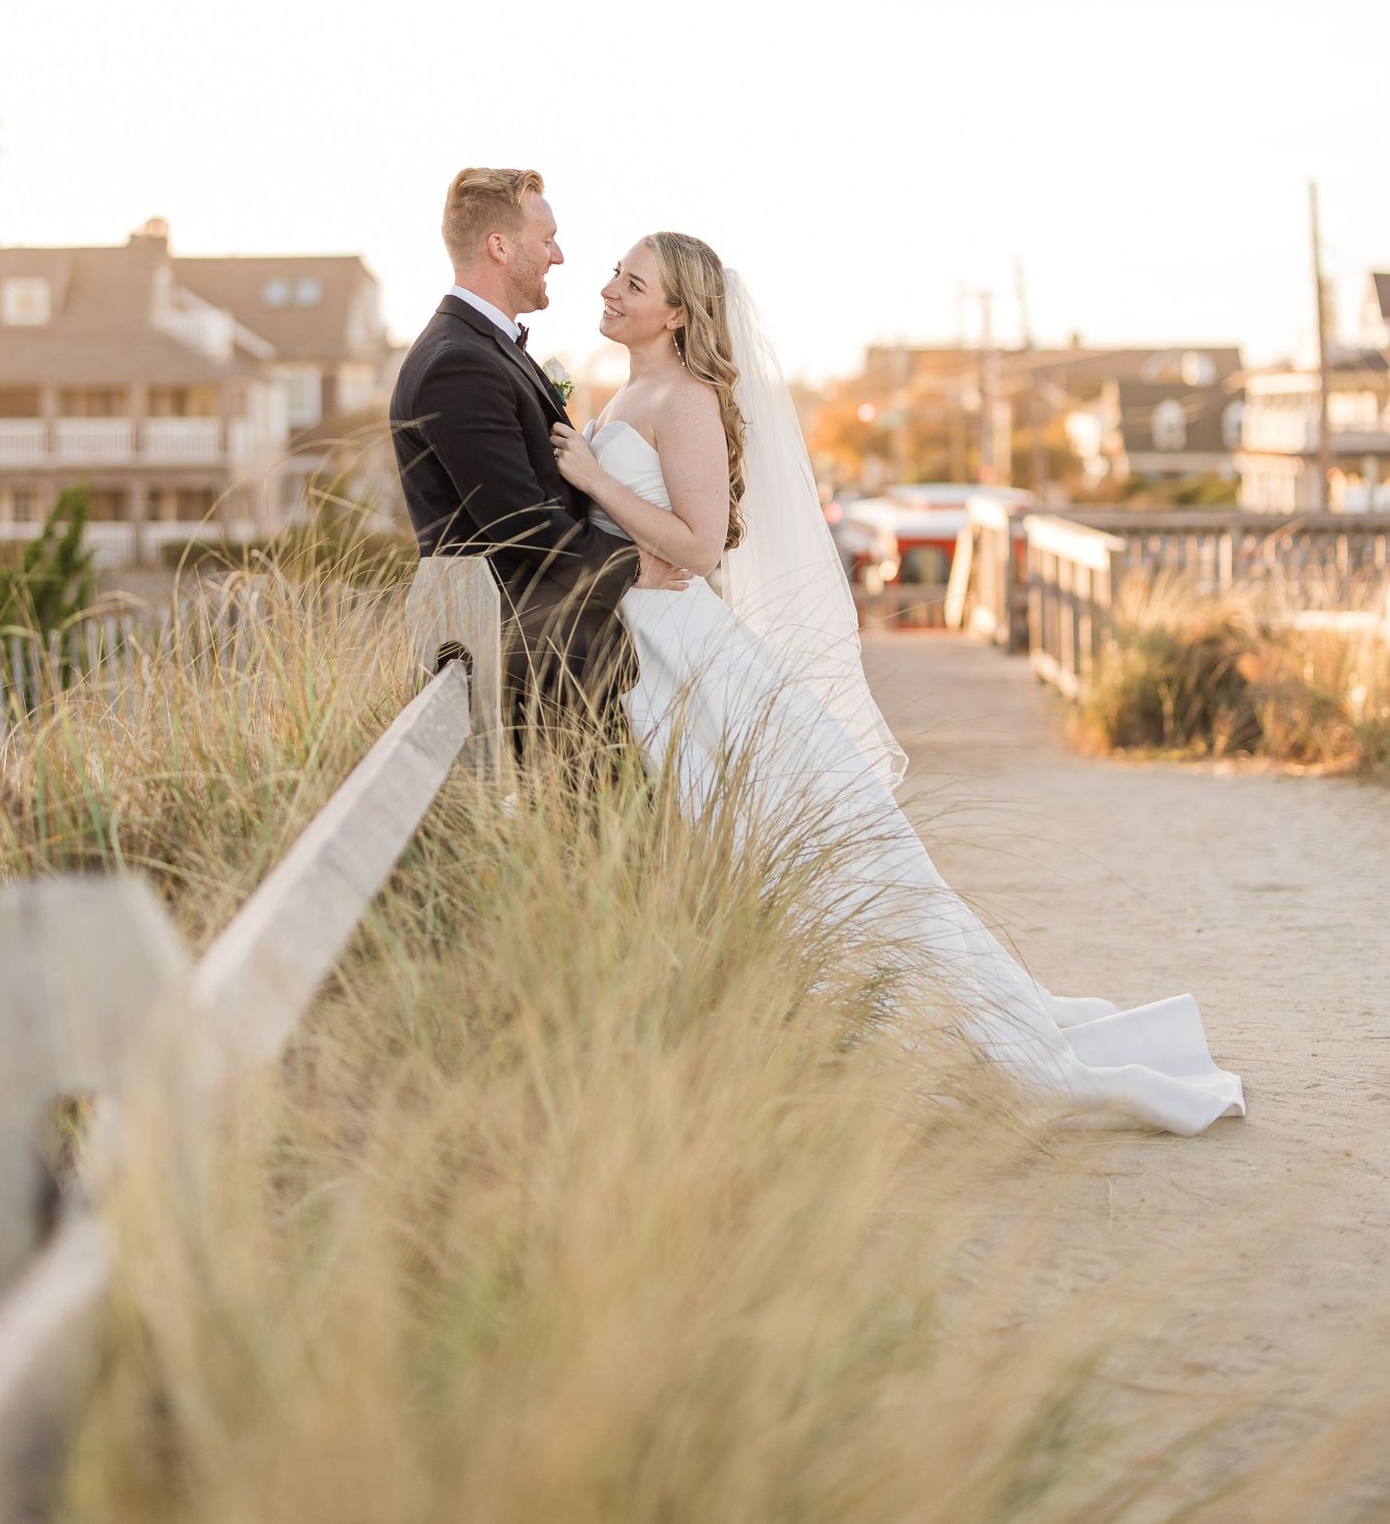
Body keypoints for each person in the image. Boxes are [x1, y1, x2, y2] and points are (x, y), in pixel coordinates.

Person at [549, 230, 1245, 1136]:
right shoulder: (624, 389)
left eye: (630, 282)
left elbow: (698, 543)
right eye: (614, 274)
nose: (608, 289)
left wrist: (595, 475)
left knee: (804, 855)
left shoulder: (683, 400)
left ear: (676, 312)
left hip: (686, 647)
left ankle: (963, 1050)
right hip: (645, 642)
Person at [390, 169, 690, 726]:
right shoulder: (458, 363)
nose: (559, 256)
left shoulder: (483, 348)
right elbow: (520, 524)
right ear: (499, 247)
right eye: (546, 239)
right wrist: (632, 568)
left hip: (563, 658)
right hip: (539, 669)